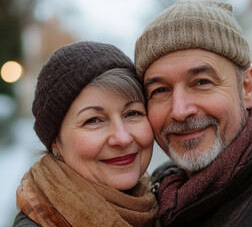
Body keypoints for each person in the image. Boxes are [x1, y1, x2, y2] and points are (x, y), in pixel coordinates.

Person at [134, 0, 252, 226]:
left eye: (202, 82)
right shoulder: (160, 191)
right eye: (160, 90)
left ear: (246, 88)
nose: (180, 111)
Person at [13, 41, 159, 227]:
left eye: (133, 113)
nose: (122, 138)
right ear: (55, 142)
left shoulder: (164, 201)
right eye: (93, 120)